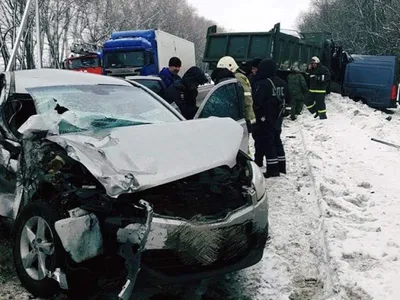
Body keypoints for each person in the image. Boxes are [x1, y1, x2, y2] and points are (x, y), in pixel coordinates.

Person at [252, 59, 291, 178]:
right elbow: (289, 99)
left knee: (268, 143)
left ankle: (273, 170)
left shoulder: (262, 83)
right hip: (278, 117)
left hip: (265, 118)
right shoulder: (282, 83)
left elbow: (257, 102)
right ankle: (281, 166)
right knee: (277, 141)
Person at [217, 56, 256, 126]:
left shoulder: (237, 78)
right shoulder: (231, 77)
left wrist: (250, 119)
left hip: (239, 117)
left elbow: (247, 99)